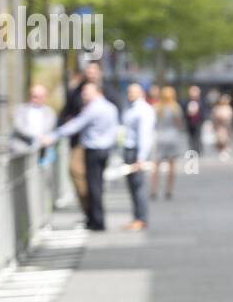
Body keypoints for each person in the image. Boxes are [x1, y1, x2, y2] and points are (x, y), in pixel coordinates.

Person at [49, 81, 118, 231]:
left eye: (86, 93)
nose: (83, 96)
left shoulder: (93, 108)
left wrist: (54, 135)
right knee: (97, 185)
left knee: (93, 186)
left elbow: (76, 124)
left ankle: (97, 221)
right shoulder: (111, 108)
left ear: (97, 91)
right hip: (104, 150)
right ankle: (96, 219)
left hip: (93, 150)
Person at [121, 83, 156, 230]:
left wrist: (141, 157)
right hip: (129, 149)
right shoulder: (130, 108)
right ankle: (136, 217)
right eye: (129, 91)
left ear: (141, 93)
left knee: (138, 186)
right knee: (132, 186)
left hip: (136, 151)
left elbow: (144, 135)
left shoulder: (143, 110)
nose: (131, 94)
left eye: (134, 91)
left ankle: (141, 218)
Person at [151, 85, 187, 200]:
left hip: (159, 136)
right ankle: (169, 190)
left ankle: (154, 189)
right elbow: (179, 124)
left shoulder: (156, 107)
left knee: (156, 165)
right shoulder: (175, 108)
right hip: (172, 136)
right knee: (171, 165)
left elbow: (153, 124)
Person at [10, 84, 57, 153]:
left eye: (40, 97)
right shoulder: (20, 109)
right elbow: (18, 127)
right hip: (21, 148)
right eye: (35, 96)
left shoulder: (49, 112)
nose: (37, 99)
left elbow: (50, 130)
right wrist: (37, 136)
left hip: (41, 149)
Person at [212, 93, 233, 161]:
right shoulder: (217, 108)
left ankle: (225, 151)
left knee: (226, 140)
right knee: (220, 140)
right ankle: (221, 151)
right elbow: (215, 116)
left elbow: (230, 117)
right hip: (220, 127)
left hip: (227, 127)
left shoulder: (229, 108)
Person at [184, 84, 205, 155]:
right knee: (191, 137)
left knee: (198, 136)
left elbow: (204, 112)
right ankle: (192, 150)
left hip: (198, 122)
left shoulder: (201, 101)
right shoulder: (187, 102)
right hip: (189, 122)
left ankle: (198, 150)